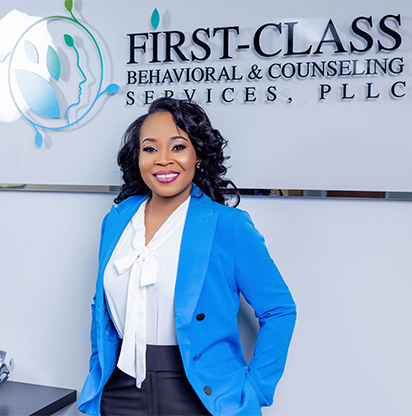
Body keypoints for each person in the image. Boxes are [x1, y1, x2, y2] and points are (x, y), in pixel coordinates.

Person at [78, 97, 296, 416]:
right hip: (119, 391)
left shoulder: (228, 225)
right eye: (150, 148)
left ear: (198, 156)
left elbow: (280, 310)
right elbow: (101, 307)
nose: (163, 160)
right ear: (137, 157)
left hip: (199, 394)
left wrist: (257, 388)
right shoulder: (117, 221)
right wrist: (99, 368)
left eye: (178, 147)